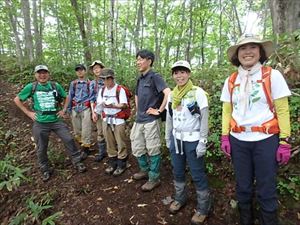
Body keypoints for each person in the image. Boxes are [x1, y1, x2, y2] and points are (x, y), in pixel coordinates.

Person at [220, 34, 292, 225]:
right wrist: (225, 137)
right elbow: (227, 110)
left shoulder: (272, 76)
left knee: (266, 188)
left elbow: (283, 110)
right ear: (237, 54)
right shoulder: (231, 80)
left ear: (260, 52)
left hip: (266, 141)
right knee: (242, 187)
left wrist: (284, 141)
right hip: (238, 140)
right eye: (243, 48)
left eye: (253, 47)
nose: (248, 51)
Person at [14, 65, 86, 181]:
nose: (42, 75)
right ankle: (45, 169)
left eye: (44, 73)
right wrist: (28, 113)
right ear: (35, 75)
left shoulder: (55, 85)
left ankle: (77, 161)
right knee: (41, 147)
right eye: (39, 73)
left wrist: (63, 110)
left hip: (56, 120)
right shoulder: (31, 87)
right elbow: (17, 100)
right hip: (40, 122)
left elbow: (66, 97)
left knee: (68, 139)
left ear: (48, 74)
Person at [165, 60, 211, 224]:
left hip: (193, 139)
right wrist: (167, 137)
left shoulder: (197, 92)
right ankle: (180, 198)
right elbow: (169, 118)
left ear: (189, 73)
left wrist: (203, 141)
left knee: (197, 173)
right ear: (173, 75)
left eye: (183, 72)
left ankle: (203, 208)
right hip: (176, 139)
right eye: (176, 72)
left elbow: (204, 118)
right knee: (177, 170)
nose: (179, 75)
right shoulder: (172, 94)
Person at [130, 49, 171, 191]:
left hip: (151, 120)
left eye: (141, 59)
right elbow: (136, 95)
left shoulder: (155, 77)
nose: (138, 62)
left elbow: (168, 92)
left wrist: (159, 110)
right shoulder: (140, 78)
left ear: (149, 61)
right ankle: (144, 170)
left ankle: (154, 178)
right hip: (139, 119)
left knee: (153, 149)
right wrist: (137, 109)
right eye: (137, 59)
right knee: (137, 146)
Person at [94, 68, 129, 176]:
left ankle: (122, 163)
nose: (105, 81)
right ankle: (112, 162)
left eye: (107, 79)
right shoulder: (102, 90)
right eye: (103, 79)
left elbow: (124, 104)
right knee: (109, 141)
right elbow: (99, 103)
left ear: (112, 78)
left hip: (118, 119)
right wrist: (99, 108)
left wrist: (113, 105)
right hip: (106, 119)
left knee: (120, 141)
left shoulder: (119, 89)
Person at [64, 64, 94, 160]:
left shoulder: (90, 83)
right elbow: (70, 95)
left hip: (85, 107)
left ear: (85, 71)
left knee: (86, 129)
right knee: (77, 130)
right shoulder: (74, 83)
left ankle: (85, 149)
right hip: (75, 108)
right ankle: (83, 145)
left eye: (81, 70)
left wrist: (94, 110)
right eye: (77, 70)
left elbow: (92, 96)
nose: (79, 72)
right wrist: (68, 109)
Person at [90, 60, 107, 162]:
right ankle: (102, 152)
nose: (96, 70)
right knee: (100, 132)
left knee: (109, 131)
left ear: (102, 69)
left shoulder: (108, 80)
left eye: (98, 68)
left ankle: (112, 152)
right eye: (94, 68)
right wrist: (93, 112)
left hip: (109, 110)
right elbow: (91, 98)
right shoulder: (92, 83)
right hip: (98, 110)